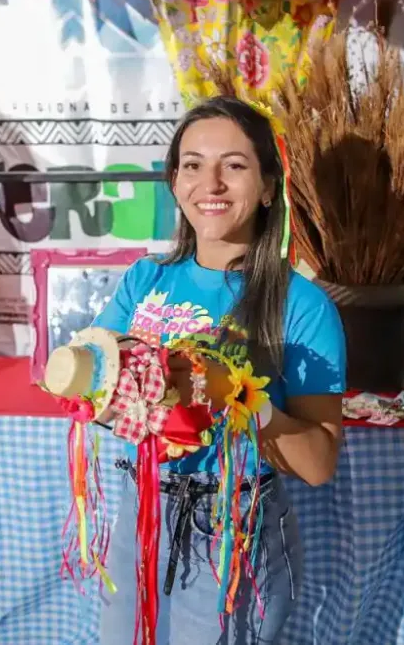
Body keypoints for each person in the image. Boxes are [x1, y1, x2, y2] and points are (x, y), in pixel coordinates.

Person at [94, 96, 346, 645]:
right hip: (141, 509)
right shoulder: (144, 280)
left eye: (233, 165)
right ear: (175, 180)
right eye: (192, 164)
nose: (209, 183)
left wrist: (246, 401)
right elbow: (101, 393)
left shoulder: (300, 305)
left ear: (269, 187)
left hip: (232, 526)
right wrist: (98, 383)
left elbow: (319, 463)